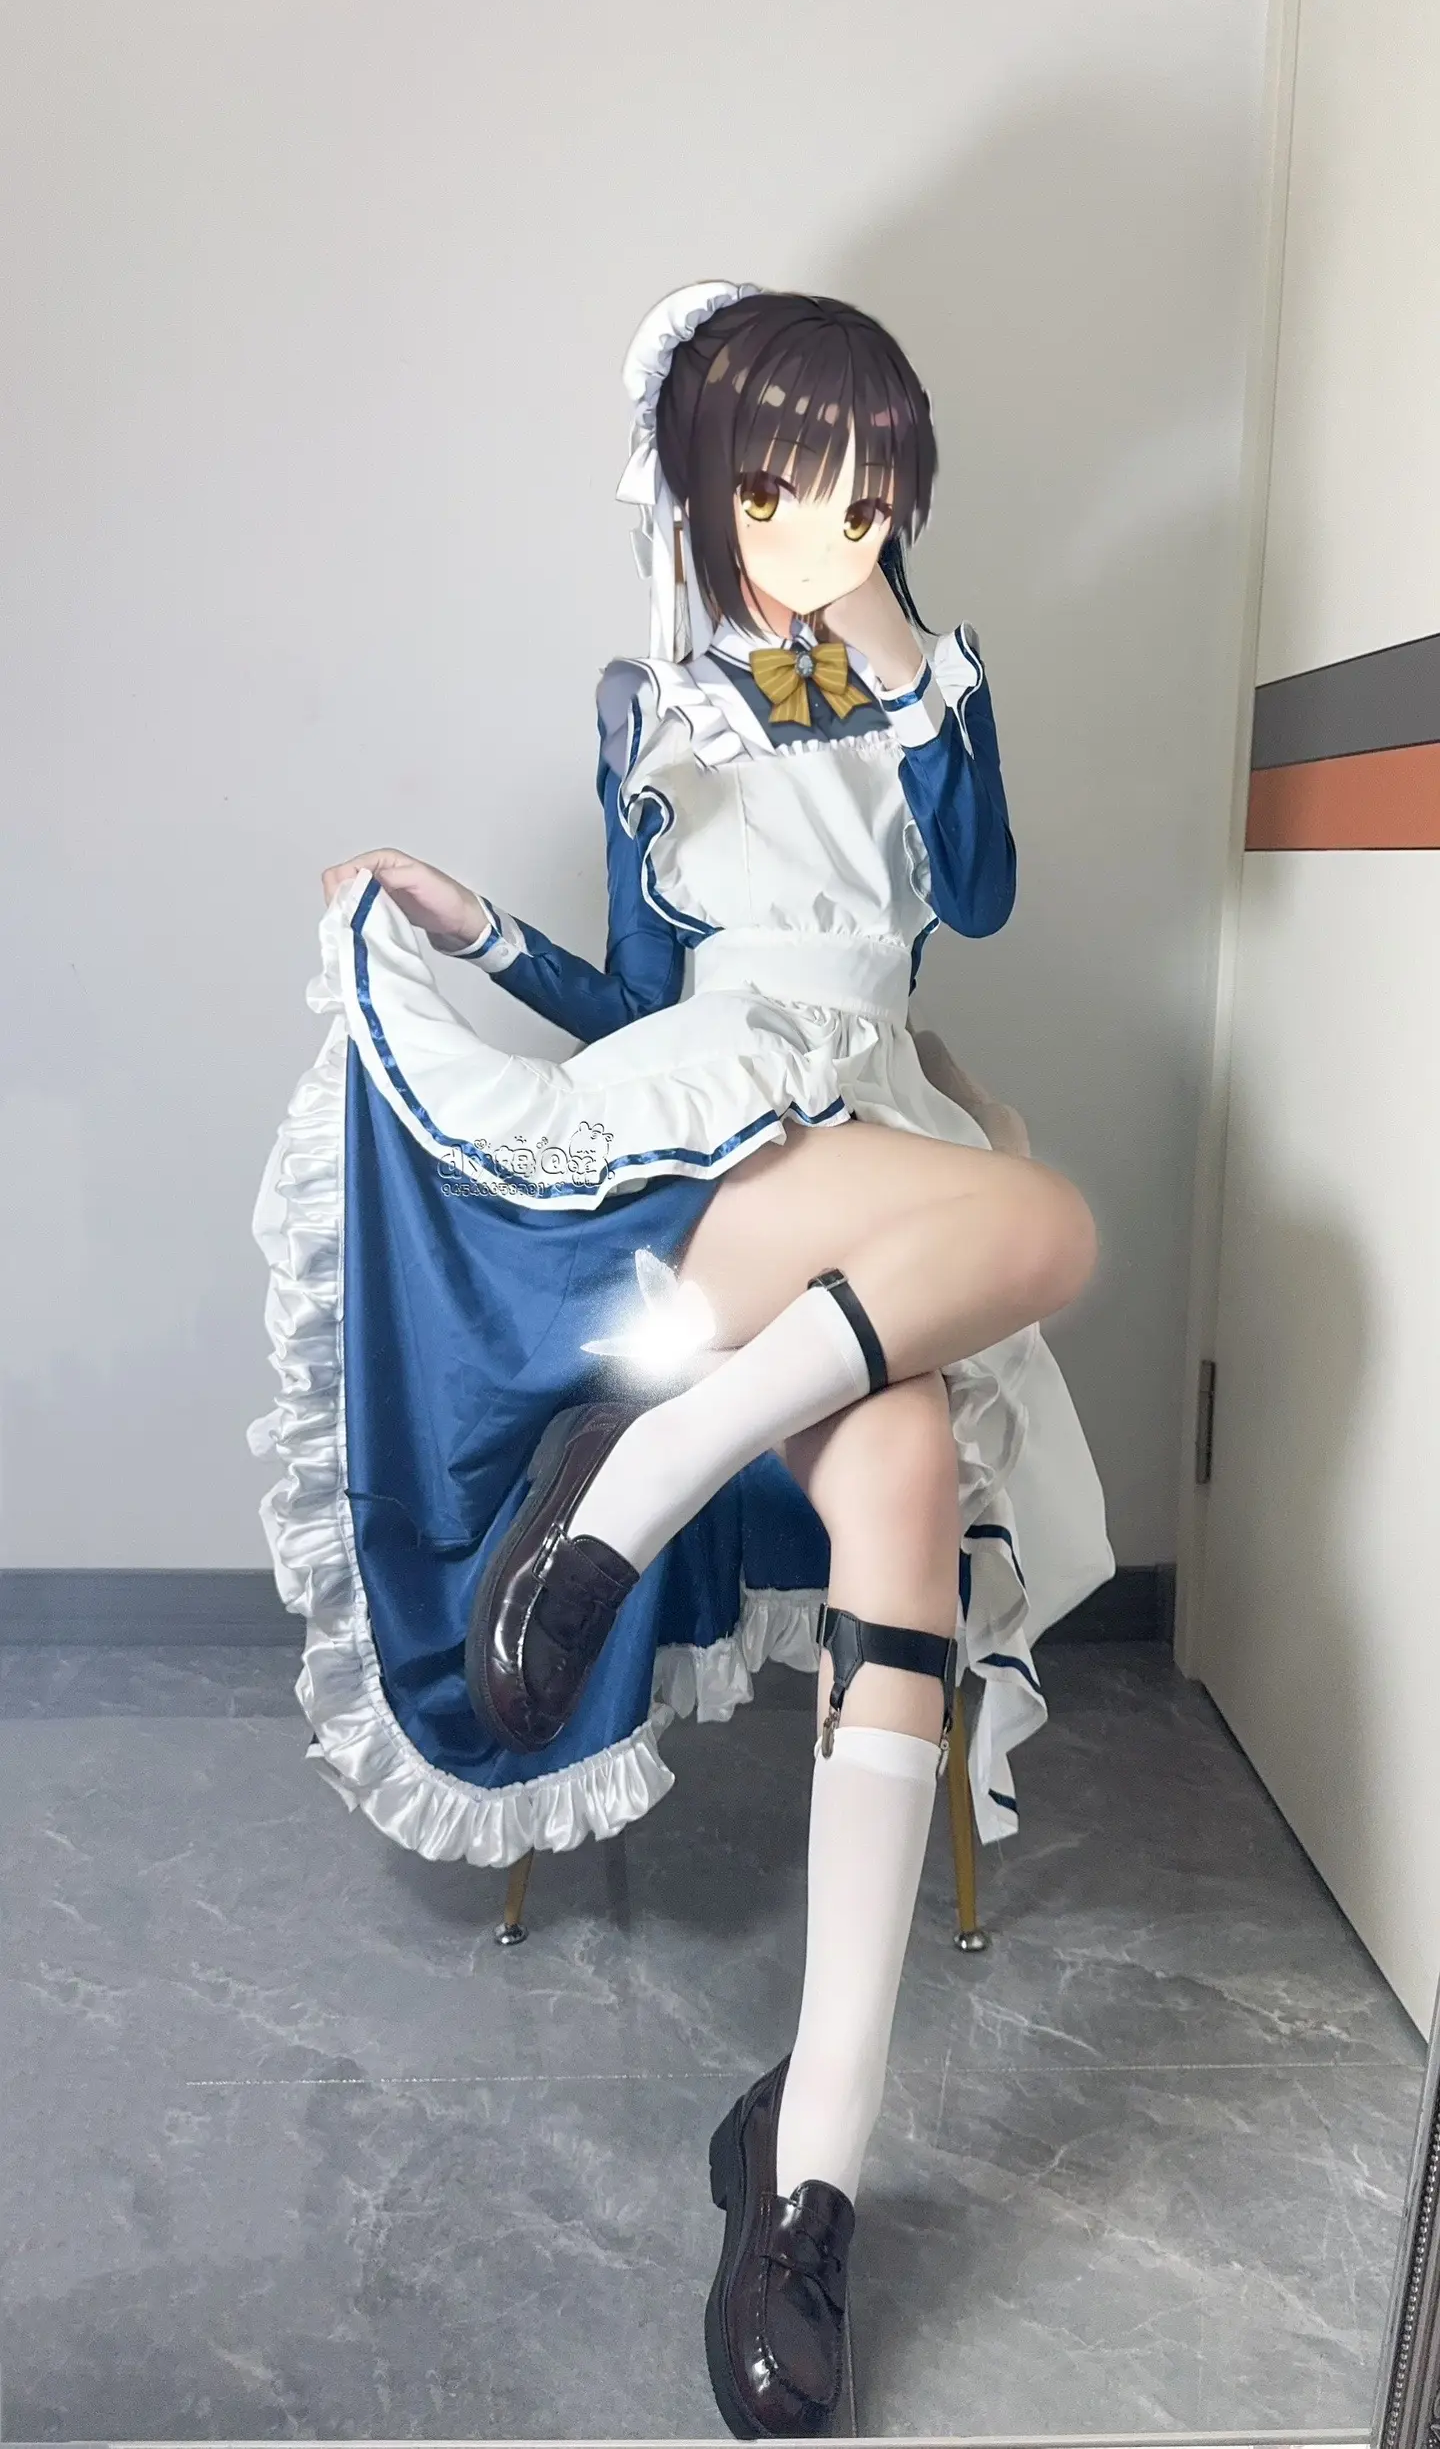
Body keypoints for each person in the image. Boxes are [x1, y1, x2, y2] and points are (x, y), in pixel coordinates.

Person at [252, 280, 1111, 2438]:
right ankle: (631, 1479)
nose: (828, 525)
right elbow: (648, 997)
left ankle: (805, 2169)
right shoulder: (654, 709)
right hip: (720, 1139)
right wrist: (476, 930)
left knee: (908, 1463)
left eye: (868, 489)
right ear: (706, 484)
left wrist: (898, 645)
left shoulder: (922, 686)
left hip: (878, 1127)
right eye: (787, 483)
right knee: (1046, 1228)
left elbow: (986, 892)